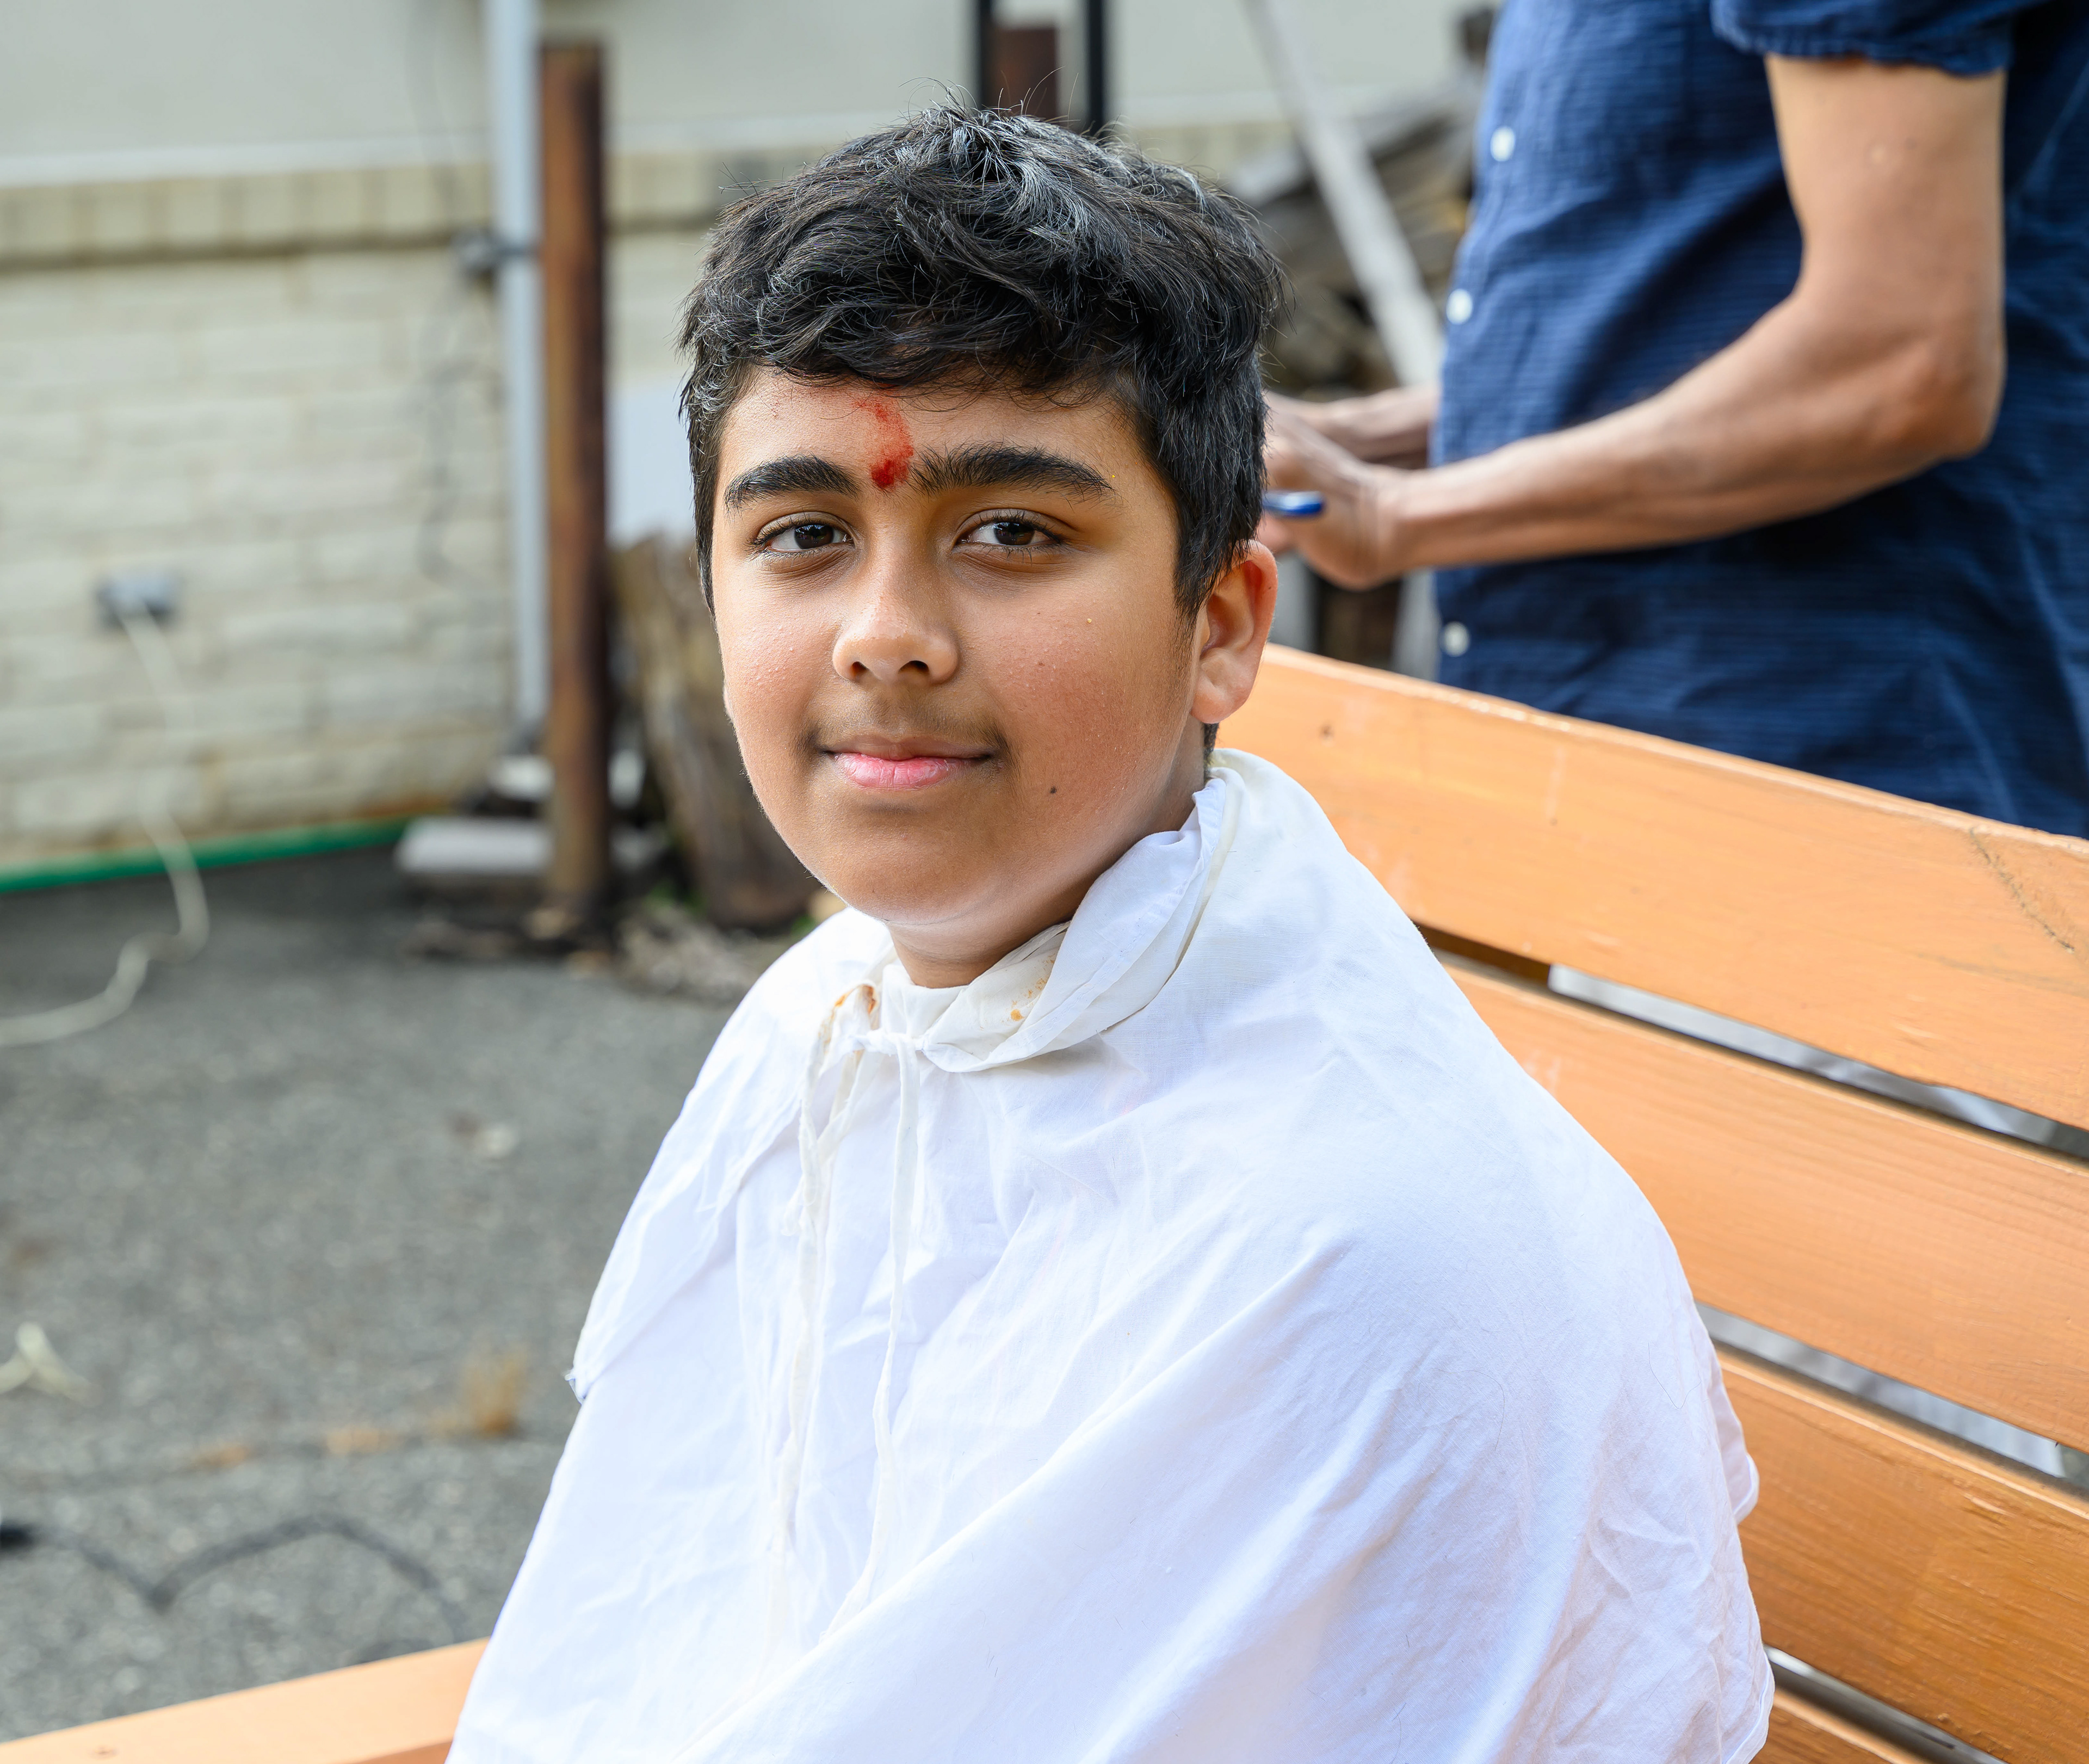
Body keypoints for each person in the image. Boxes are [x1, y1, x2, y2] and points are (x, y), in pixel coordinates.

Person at [450, 108, 1771, 1763]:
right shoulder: (834, 1008)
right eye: (804, 536)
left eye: (1013, 533)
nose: (885, 637)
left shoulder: (1341, 1248)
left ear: (1220, 624)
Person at [1264, 0, 2089, 837]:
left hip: (1822, 753)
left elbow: (1899, 362)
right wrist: (1359, 439)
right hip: (1580, 735)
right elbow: (1648, 341)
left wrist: (1391, 516)